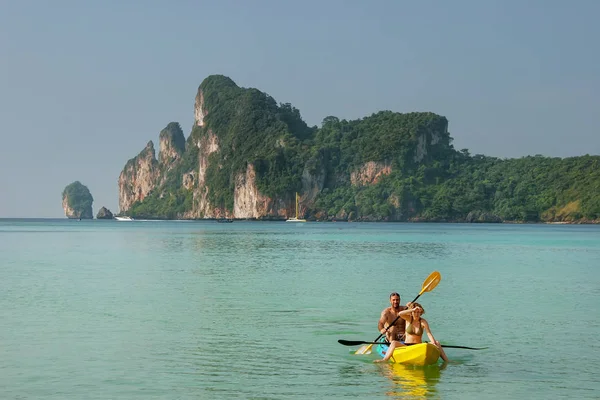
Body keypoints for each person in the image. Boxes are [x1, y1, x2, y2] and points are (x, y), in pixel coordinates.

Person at [374, 302, 449, 363]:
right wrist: (412, 310)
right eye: (415, 312)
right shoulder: (408, 319)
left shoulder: (423, 322)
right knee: (393, 342)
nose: (417, 314)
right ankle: (384, 360)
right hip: (407, 346)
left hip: (418, 346)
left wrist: (434, 343)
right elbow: (400, 314)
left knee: (437, 343)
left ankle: (447, 361)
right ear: (412, 313)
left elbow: (429, 333)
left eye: (418, 312)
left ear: (421, 313)